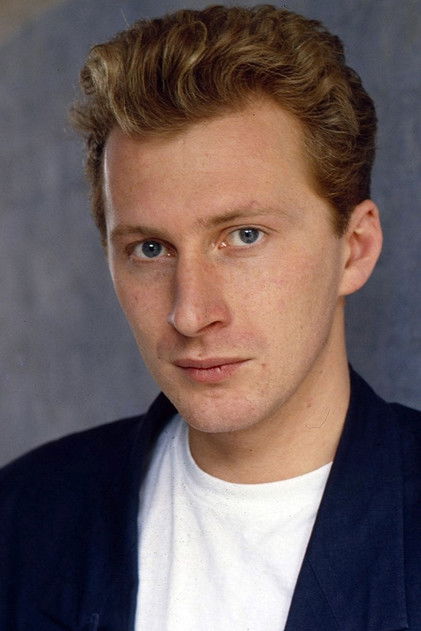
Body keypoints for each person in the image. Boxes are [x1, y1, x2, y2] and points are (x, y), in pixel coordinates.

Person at [1, 5, 420, 630]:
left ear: (354, 249)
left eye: (244, 235)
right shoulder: (20, 520)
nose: (191, 313)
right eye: (150, 249)